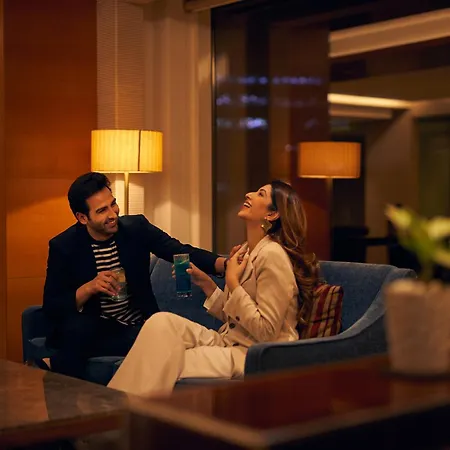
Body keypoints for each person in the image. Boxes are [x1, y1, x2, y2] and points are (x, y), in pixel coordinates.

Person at [108, 180, 319, 397]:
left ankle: (115, 411)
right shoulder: (246, 251)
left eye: (260, 194)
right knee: (161, 322)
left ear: (272, 214)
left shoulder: (273, 255)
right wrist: (207, 284)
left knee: (164, 359)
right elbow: (236, 318)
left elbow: (265, 332)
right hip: (228, 341)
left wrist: (233, 282)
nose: (249, 194)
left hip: (253, 354)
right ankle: (114, 407)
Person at [43, 172, 226, 380]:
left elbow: (178, 250)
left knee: (156, 337)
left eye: (113, 204)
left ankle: (53, 363)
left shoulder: (136, 228)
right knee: (78, 329)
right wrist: (89, 288)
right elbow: (52, 306)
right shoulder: (64, 246)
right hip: (94, 326)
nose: (113, 214)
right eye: (102, 210)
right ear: (82, 218)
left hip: (137, 325)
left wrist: (223, 264)